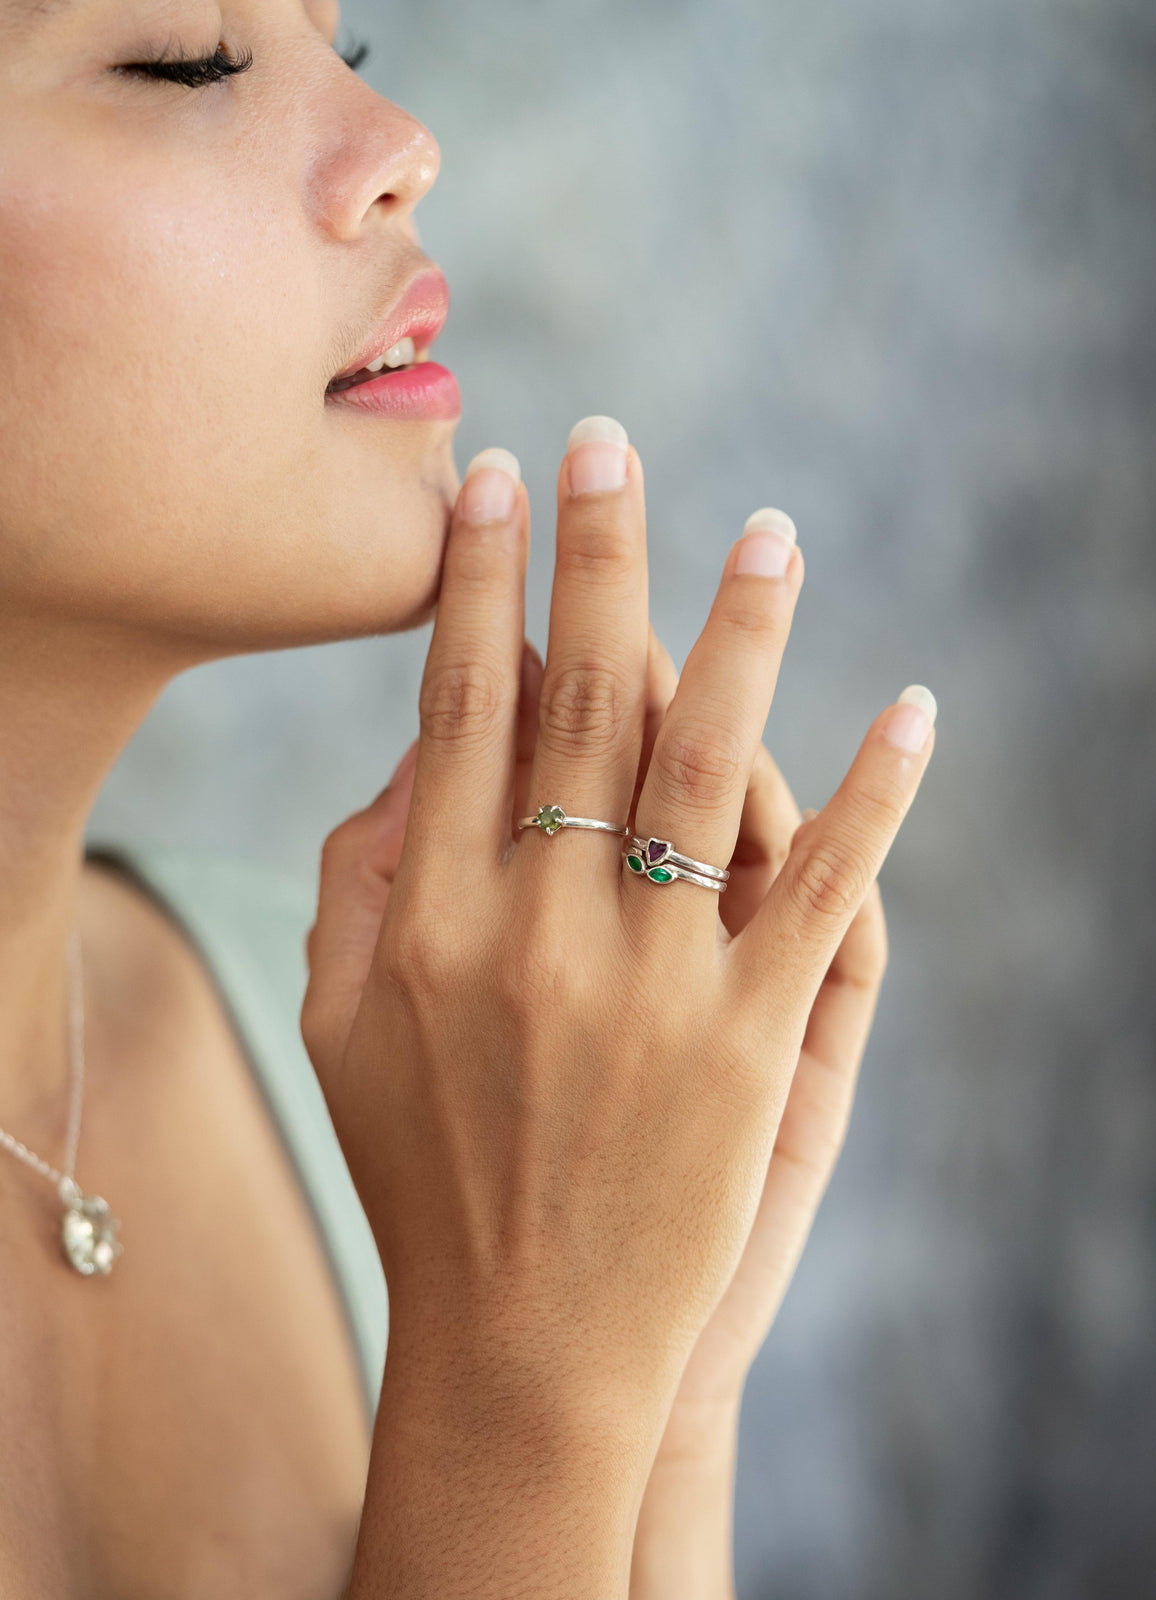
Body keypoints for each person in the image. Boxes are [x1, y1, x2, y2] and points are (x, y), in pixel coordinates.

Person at [0, 2, 937, 1595]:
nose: (402, 150)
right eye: (188, 58)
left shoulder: (408, 1043)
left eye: (343, 46)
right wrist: (526, 1397)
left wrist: (659, 1403)